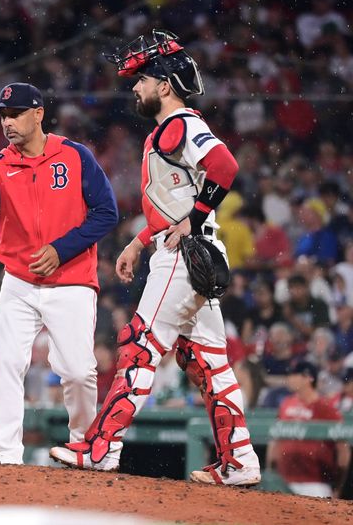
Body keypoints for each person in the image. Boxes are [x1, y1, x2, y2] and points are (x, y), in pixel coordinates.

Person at [49, 30, 261, 486]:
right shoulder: (170, 129)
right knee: (209, 360)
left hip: (183, 256)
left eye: (141, 80)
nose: (135, 88)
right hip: (187, 247)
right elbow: (174, 201)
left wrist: (194, 217)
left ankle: (103, 448)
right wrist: (140, 240)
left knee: (140, 344)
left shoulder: (180, 123)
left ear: (164, 85)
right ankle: (240, 461)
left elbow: (225, 166)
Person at [0, 82, 119, 464]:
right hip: (20, 280)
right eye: (3, 115)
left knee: (77, 371)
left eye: (16, 113)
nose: (7, 122)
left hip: (70, 279)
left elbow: (107, 212)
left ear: (38, 114)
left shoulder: (74, 156)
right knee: (4, 363)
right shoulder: (1, 164)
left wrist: (61, 249)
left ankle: (86, 447)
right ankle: (6, 456)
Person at [266, 361, 351, 498]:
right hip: (283, 480)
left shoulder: (325, 408)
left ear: (308, 378)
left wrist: (338, 486)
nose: (290, 378)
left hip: (315, 483)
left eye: (295, 375)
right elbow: (275, 440)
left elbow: (343, 450)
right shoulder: (286, 403)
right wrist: (271, 470)